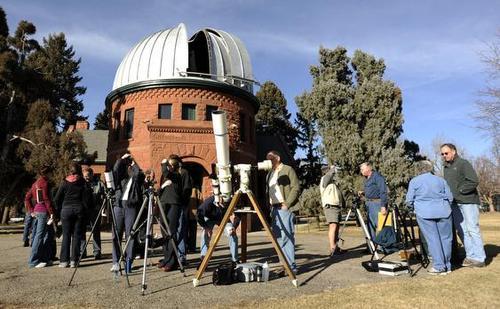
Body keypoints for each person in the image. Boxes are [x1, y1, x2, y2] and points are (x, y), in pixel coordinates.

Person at [441, 143, 486, 267]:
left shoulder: (463, 163)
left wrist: (460, 191)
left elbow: (473, 181)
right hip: (454, 204)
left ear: (454, 151)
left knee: (472, 229)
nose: (444, 156)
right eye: (442, 154)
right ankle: (470, 256)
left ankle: (480, 258)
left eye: (446, 153)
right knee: (462, 231)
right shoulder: (446, 167)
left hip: (468, 201)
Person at [406, 160, 454, 275]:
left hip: (425, 212)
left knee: (433, 239)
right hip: (443, 211)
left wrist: (413, 208)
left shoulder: (414, 181)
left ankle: (439, 266)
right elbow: (450, 197)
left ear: (418, 169)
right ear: (430, 168)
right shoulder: (440, 180)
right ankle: (447, 265)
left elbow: (409, 200)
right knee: (446, 239)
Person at [266, 150, 300, 274]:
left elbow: (296, 187)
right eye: (267, 158)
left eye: (271, 158)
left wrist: (287, 204)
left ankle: (291, 267)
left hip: (284, 208)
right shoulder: (269, 174)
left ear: (278, 158)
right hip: (274, 209)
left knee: (287, 237)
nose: (268, 160)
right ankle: (284, 264)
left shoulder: (288, 169)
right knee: (279, 238)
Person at [110, 153, 144, 273]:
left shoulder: (135, 178)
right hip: (118, 206)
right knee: (116, 235)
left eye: (130, 166)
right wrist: (121, 159)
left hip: (131, 207)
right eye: (127, 165)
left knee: (131, 235)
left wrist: (134, 162)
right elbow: (115, 171)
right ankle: (116, 261)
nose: (129, 167)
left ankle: (129, 260)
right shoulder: (120, 177)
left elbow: (139, 174)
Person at [54, 162, 90, 268]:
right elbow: (86, 198)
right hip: (79, 210)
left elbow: (57, 198)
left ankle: (64, 261)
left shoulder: (65, 182)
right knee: (76, 235)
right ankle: (74, 260)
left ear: (70, 171)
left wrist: (59, 209)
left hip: (66, 210)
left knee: (66, 235)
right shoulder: (82, 182)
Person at [197, 179, 239, 267]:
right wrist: (206, 227)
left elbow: (238, 215)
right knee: (205, 233)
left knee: (233, 235)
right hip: (210, 218)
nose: (222, 203)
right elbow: (199, 214)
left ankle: (235, 259)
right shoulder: (209, 202)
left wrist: (234, 227)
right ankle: (204, 258)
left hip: (224, 219)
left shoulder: (230, 201)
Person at [157, 155, 187, 271]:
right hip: (163, 204)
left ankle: (172, 261)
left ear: (172, 166)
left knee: (171, 232)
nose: (166, 167)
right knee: (164, 232)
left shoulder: (176, 175)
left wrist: (164, 162)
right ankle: (166, 258)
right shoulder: (166, 176)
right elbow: (161, 189)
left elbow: (166, 172)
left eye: (168, 165)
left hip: (174, 205)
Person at [25, 166, 55, 268]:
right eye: (51, 173)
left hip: (38, 211)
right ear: (47, 173)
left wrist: (31, 210)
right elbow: (46, 199)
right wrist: (51, 212)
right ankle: (33, 261)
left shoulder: (35, 183)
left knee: (49, 235)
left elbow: (27, 198)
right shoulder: (44, 183)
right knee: (40, 236)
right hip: (43, 212)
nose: (52, 175)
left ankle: (45, 259)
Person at [320, 165, 346, 257]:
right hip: (330, 206)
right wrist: (332, 169)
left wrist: (343, 203)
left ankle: (336, 247)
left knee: (337, 227)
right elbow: (328, 176)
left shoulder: (332, 183)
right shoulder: (325, 179)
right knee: (333, 226)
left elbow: (339, 194)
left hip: (336, 206)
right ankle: (332, 249)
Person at [359, 162, 388, 241]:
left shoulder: (377, 177)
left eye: (362, 169)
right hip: (369, 204)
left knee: (380, 225)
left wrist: (383, 206)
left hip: (377, 204)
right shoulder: (367, 178)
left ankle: (383, 247)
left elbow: (383, 191)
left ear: (369, 168)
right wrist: (363, 192)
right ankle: (372, 246)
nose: (361, 171)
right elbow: (373, 190)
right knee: (370, 226)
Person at [80, 167, 105, 260]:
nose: (86, 178)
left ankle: (97, 251)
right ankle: (82, 252)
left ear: (91, 174)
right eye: (85, 176)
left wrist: (101, 205)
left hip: (95, 210)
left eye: (88, 176)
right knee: (82, 231)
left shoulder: (98, 184)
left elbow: (104, 196)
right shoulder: (81, 184)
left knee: (96, 231)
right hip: (83, 211)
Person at [187, 186, 203, 253]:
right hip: (192, 213)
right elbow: (200, 201)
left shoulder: (194, 189)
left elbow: (200, 200)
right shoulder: (195, 189)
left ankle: (190, 247)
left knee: (189, 230)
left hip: (190, 213)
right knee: (192, 231)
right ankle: (191, 247)